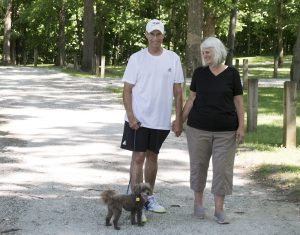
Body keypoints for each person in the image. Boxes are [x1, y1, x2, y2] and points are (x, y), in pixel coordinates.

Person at [120, 19, 184, 221]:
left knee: (153, 157)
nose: (155, 38)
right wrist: (130, 116)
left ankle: (149, 198)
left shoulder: (173, 58)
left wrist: (179, 119)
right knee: (138, 157)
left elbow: (178, 92)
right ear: (146, 35)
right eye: (152, 34)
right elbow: (127, 90)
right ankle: (136, 201)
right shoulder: (136, 58)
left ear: (163, 36)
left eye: (159, 34)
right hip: (138, 118)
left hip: (160, 119)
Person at [181, 36, 244, 224]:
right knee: (198, 166)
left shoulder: (232, 74)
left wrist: (241, 126)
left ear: (217, 51)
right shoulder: (199, 73)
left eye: (207, 51)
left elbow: (238, 102)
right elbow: (191, 99)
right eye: (203, 52)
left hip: (226, 131)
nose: (204, 55)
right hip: (198, 129)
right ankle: (198, 204)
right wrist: (179, 121)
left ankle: (219, 210)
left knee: (222, 170)